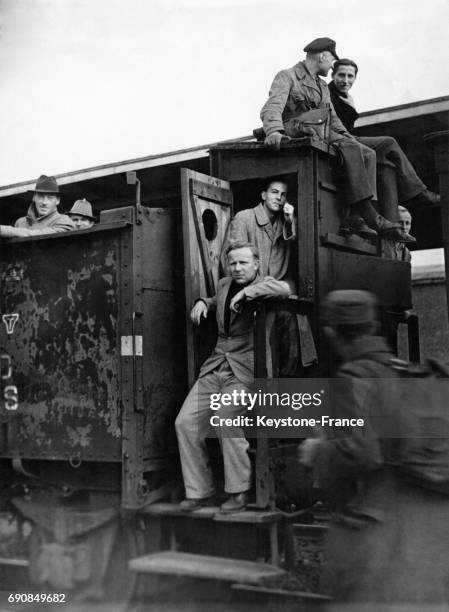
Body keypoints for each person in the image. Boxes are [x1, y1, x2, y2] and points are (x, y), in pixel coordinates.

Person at [300, 290, 449, 609]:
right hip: (433, 519)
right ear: (373, 326)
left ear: (330, 333)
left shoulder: (354, 376)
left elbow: (362, 453)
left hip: (389, 523)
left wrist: (317, 451)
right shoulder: (400, 368)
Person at [175, 241, 293, 514]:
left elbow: (285, 288)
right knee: (185, 423)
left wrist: (249, 293)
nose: (237, 268)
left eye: (243, 263)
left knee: (225, 416)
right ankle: (199, 491)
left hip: (246, 371)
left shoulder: (266, 284)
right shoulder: (225, 284)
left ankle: (238, 492)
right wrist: (204, 302)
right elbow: (220, 301)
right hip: (216, 366)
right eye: (233, 263)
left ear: (256, 264)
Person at [260, 37, 406, 242]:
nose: (331, 67)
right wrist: (274, 131)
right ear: (323, 56)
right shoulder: (287, 76)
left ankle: (357, 217)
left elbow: (333, 119)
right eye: (331, 61)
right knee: (352, 148)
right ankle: (371, 216)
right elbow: (272, 106)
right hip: (297, 130)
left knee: (367, 153)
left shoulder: (322, 86)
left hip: (321, 131)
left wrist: (349, 138)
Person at [329, 58, 440, 215]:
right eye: (341, 75)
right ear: (333, 75)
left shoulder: (348, 97)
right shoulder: (328, 94)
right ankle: (418, 192)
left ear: (355, 78)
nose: (345, 80)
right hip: (339, 140)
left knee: (387, 162)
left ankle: (390, 209)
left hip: (350, 138)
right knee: (388, 143)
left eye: (350, 76)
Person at [220, 178, 295, 280]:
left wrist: (289, 222)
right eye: (274, 192)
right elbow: (230, 259)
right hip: (248, 288)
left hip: (274, 289)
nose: (279, 198)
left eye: (283, 194)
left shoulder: (286, 223)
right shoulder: (243, 218)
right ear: (263, 195)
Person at [0, 175, 74, 238]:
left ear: (58, 201)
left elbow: (41, 235)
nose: (44, 202)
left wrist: (6, 230)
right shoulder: (20, 222)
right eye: (40, 197)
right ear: (34, 197)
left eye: (50, 198)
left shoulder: (65, 221)